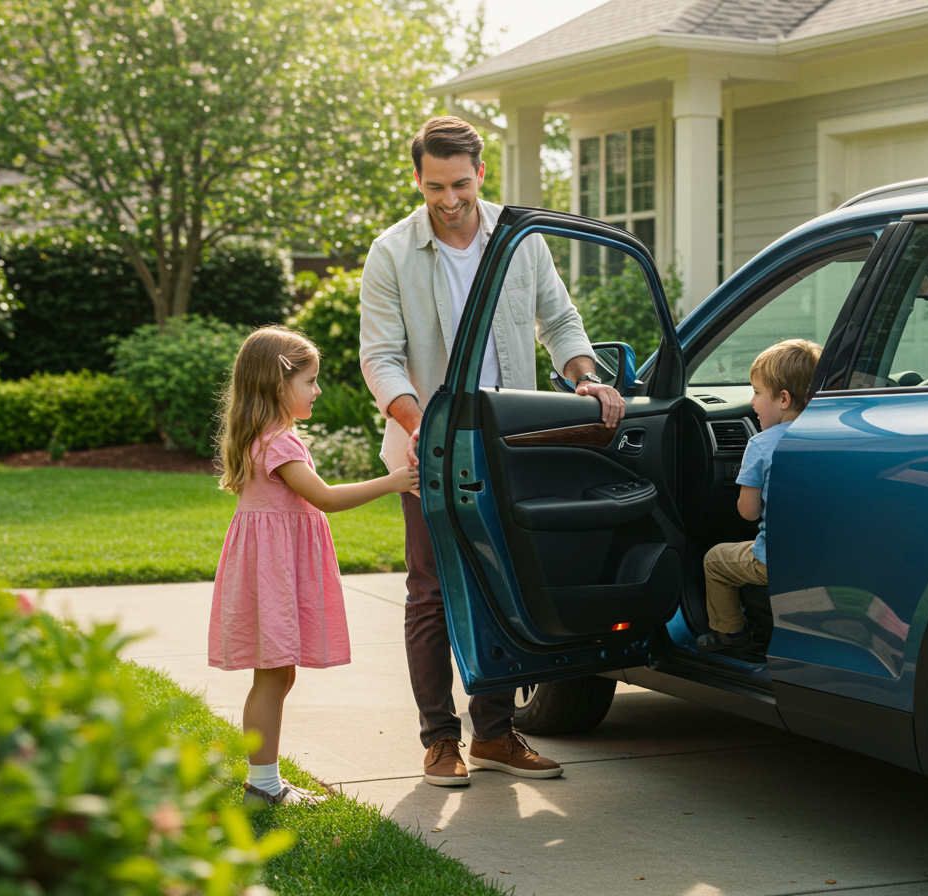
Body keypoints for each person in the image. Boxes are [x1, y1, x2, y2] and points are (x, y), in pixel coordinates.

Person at [359, 115, 626, 787]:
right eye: (432, 186)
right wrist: (422, 423)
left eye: (458, 184)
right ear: (417, 179)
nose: (447, 200)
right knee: (432, 590)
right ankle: (439, 739)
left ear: (481, 173)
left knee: (501, 579)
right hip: (431, 445)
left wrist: (586, 376)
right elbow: (380, 357)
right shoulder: (391, 252)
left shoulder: (519, 240)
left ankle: (497, 734)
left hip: (508, 439)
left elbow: (559, 320)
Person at [209, 325, 418, 806]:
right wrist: (392, 482)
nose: (318, 389)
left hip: (269, 568)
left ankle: (264, 782)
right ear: (277, 384)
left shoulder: (263, 438)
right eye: (309, 380)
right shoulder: (278, 443)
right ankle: (261, 787)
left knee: (278, 674)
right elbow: (324, 497)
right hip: (272, 572)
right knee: (272, 675)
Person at [697, 338, 822, 652]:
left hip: (774, 559)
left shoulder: (761, 445)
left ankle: (731, 635)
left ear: (782, 398)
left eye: (756, 392)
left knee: (715, 560)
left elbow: (749, 512)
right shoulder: (826, 437)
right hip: (819, 554)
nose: (751, 401)